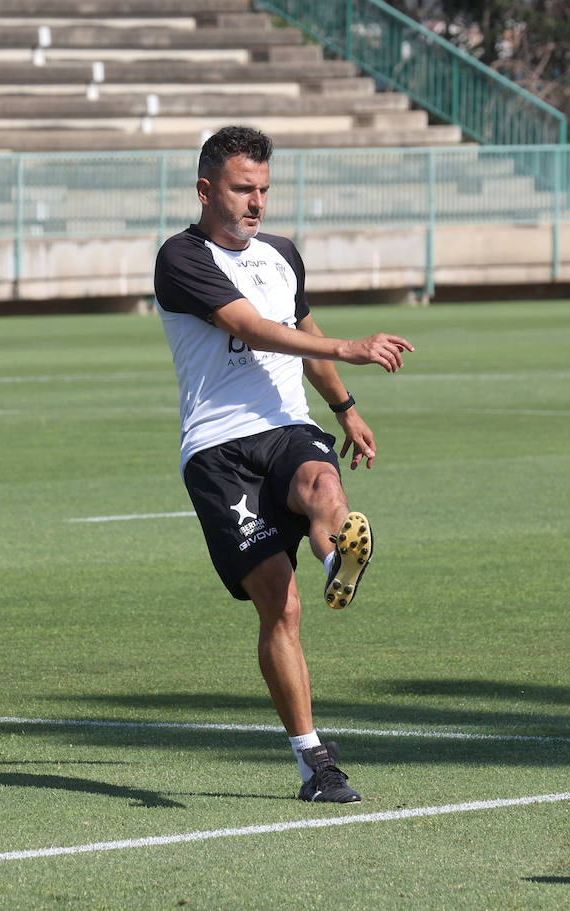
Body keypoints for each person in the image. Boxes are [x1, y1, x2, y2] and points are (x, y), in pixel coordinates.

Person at [154, 125, 413, 804]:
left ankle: (337, 560)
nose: (257, 203)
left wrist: (346, 404)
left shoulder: (282, 254)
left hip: (286, 426)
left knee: (323, 482)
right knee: (281, 603)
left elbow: (306, 340)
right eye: (244, 189)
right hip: (217, 451)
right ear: (207, 189)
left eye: (265, 189)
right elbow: (248, 325)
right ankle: (314, 762)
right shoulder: (180, 257)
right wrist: (353, 347)